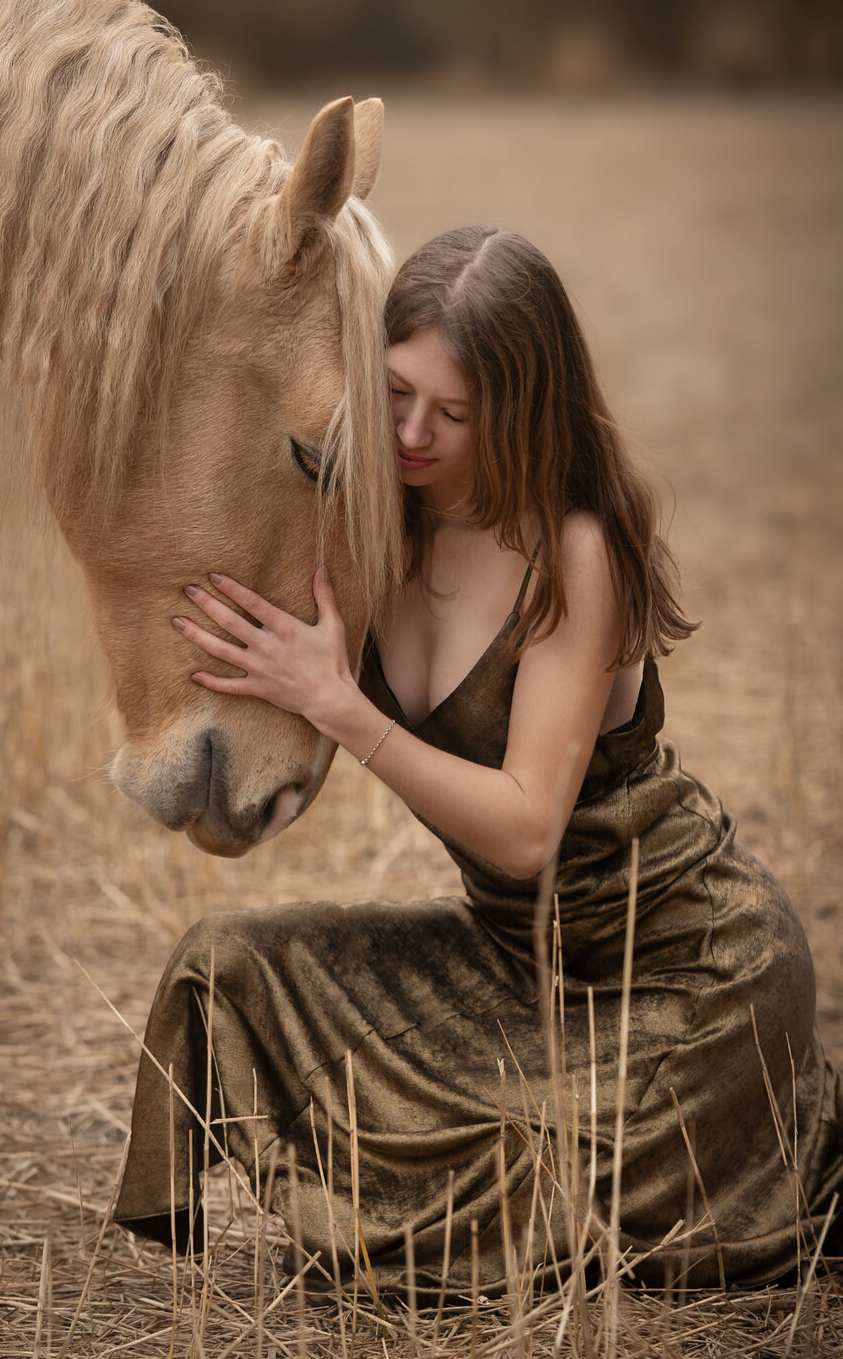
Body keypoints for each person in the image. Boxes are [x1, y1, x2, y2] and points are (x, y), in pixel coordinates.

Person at [114, 226, 843, 1294]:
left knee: (516, 1163)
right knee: (225, 966)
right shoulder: (371, 519)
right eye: (396, 393)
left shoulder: (572, 552)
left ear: (525, 411)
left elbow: (524, 830)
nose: (411, 433)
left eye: (453, 414)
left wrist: (340, 709)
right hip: (513, 968)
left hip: (692, 979)